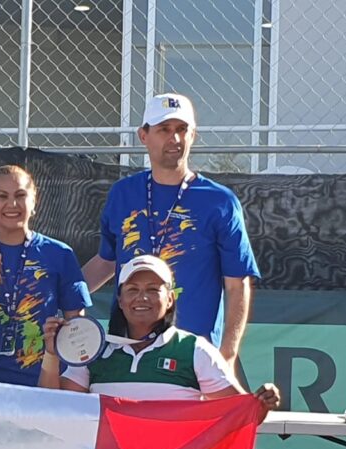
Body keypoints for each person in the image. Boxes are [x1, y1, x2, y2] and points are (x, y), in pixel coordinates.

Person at [82, 93, 260, 368]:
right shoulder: (122, 194)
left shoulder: (220, 201)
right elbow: (107, 260)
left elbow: (237, 284)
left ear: (193, 136)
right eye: (164, 129)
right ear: (144, 135)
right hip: (127, 354)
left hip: (192, 356)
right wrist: (61, 298)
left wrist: (227, 354)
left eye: (181, 130)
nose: (174, 139)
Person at [41, 255, 279, 417]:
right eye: (132, 290)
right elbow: (56, 410)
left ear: (170, 299)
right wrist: (52, 355)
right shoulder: (96, 350)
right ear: (120, 301)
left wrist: (263, 403)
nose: (142, 298)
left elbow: (240, 414)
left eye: (153, 290)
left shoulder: (194, 349)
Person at [0, 165, 92, 386]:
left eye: (20, 195)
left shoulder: (60, 254)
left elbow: (78, 321)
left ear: (34, 201)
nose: (12, 204)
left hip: (41, 380)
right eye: (2, 196)